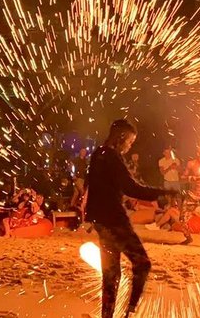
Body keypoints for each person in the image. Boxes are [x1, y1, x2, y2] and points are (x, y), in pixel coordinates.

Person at [86, 120, 173, 318]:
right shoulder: (113, 157)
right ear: (122, 137)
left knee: (111, 274)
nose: (130, 146)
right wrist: (162, 193)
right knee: (142, 264)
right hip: (115, 220)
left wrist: (90, 215)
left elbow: (94, 187)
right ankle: (130, 312)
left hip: (100, 220)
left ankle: (106, 316)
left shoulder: (98, 154)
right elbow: (131, 188)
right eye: (130, 142)